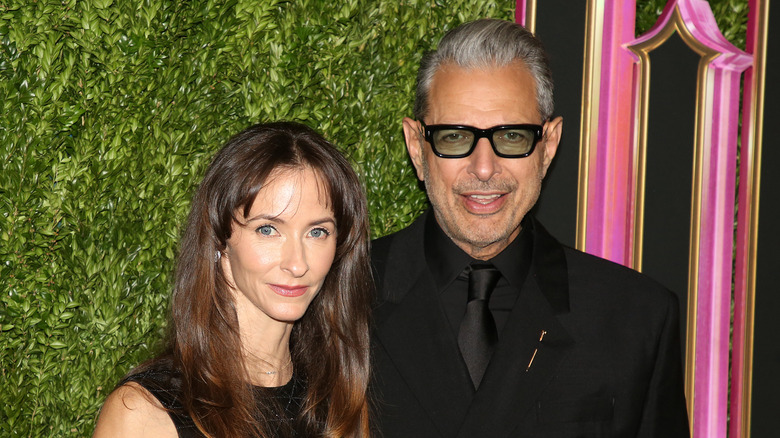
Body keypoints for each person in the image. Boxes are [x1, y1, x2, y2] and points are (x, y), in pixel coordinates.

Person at [370, 19, 689, 437]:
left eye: (512, 137)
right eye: (453, 137)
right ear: (417, 147)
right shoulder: (339, 299)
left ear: (549, 145)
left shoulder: (636, 319)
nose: (484, 169)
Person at [94, 122, 372, 437]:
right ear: (218, 240)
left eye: (317, 232)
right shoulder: (147, 413)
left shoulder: (336, 398)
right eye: (268, 229)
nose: (297, 264)